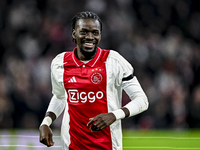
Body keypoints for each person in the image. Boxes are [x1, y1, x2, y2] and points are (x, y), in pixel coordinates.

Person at [39, 11, 149, 150]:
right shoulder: (60, 63)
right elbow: (60, 97)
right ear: (74, 33)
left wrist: (114, 115)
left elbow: (142, 100)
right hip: (71, 145)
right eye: (84, 32)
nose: (90, 37)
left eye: (95, 33)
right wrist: (46, 122)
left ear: (100, 35)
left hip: (107, 146)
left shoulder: (114, 61)